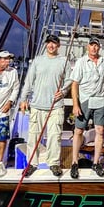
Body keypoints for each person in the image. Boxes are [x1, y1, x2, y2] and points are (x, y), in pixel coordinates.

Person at [20, 35, 71, 177]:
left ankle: (54, 163)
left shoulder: (64, 61)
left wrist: (63, 91)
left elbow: (69, 80)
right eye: (49, 43)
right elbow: (29, 81)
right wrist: (23, 99)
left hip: (56, 106)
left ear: (58, 45)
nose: (51, 45)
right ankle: (32, 164)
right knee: (33, 137)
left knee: (55, 136)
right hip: (37, 105)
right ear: (46, 45)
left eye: (54, 43)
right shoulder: (38, 61)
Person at [70, 37, 104, 178]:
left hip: (100, 100)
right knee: (78, 130)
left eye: (96, 46)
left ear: (99, 48)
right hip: (85, 100)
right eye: (92, 45)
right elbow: (74, 84)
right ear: (88, 47)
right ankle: (74, 162)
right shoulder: (81, 62)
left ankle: (95, 163)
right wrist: (75, 104)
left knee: (100, 131)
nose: (94, 48)